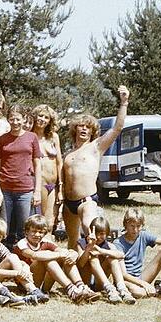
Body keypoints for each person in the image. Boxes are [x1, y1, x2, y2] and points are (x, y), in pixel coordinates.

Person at [62, 86, 130, 249]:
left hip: (86, 201)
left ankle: (108, 263)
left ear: (93, 131)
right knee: (72, 242)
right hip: (68, 203)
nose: (84, 129)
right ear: (75, 129)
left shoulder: (96, 146)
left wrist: (124, 102)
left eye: (88, 127)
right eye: (81, 126)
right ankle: (76, 273)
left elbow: (117, 128)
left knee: (91, 234)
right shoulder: (68, 153)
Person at [14, 215, 99, 304]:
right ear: (26, 232)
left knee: (63, 257)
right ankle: (71, 290)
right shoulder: (22, 244)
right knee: (46, 258)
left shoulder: (45, 242)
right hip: (27, 283)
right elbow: (34, 255)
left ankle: (81, 286)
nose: (37, 235)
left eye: (40, 232)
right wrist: (59, 254)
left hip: (43, 284)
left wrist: (73, 253)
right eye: (34, 231)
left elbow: (64, 251)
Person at [0, 218, 49, 303]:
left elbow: (12, 259)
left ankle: (32, 289)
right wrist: (16, 273)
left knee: (13, 257)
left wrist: (25, 267)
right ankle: (9, 294)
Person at [0, 105, 42, 247]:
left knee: (25, 229)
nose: (14, 122)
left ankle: (26, 259)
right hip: (5, 189)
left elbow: (38, 164)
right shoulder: (2, 139)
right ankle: (2, 259)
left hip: (25, 189)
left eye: (17, 119)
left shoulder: (32, 137)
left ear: (24, 119)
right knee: (3, 229)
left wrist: (37, 190)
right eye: (11, 119)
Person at [114, 208, 161, 300]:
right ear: (125, 225)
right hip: (126, 280)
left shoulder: (143, 235)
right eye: (132, 226)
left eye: (138, 226)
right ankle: (159, 289)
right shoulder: (118, 243)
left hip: (141, 277)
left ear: (142, 225)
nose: (135, 230)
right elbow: (123, 274)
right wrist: (144, 284)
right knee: (137, 292)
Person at [75, 217, 136, 304]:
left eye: (102, 234)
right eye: (96, 233)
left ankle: (122, 290)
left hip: (99, 284)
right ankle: (109, 288)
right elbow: (80, 264)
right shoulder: (81, 243)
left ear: (107, 234)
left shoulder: (107, 245)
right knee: (93, 258)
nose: (98, 237)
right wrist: (88, 248)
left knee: (112, 258)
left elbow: (121, 255)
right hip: (85, 282)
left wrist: (101, 251)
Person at [30, 105, 63, 232]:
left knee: (51, 222)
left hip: (53, 184)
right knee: (41, 220)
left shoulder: (54, 137)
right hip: (40, 183)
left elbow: (59, 162)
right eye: (40, 116)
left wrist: (61, 186)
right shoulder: (30, 136)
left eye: (46, 117)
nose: (42, 119)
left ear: (50, 120)